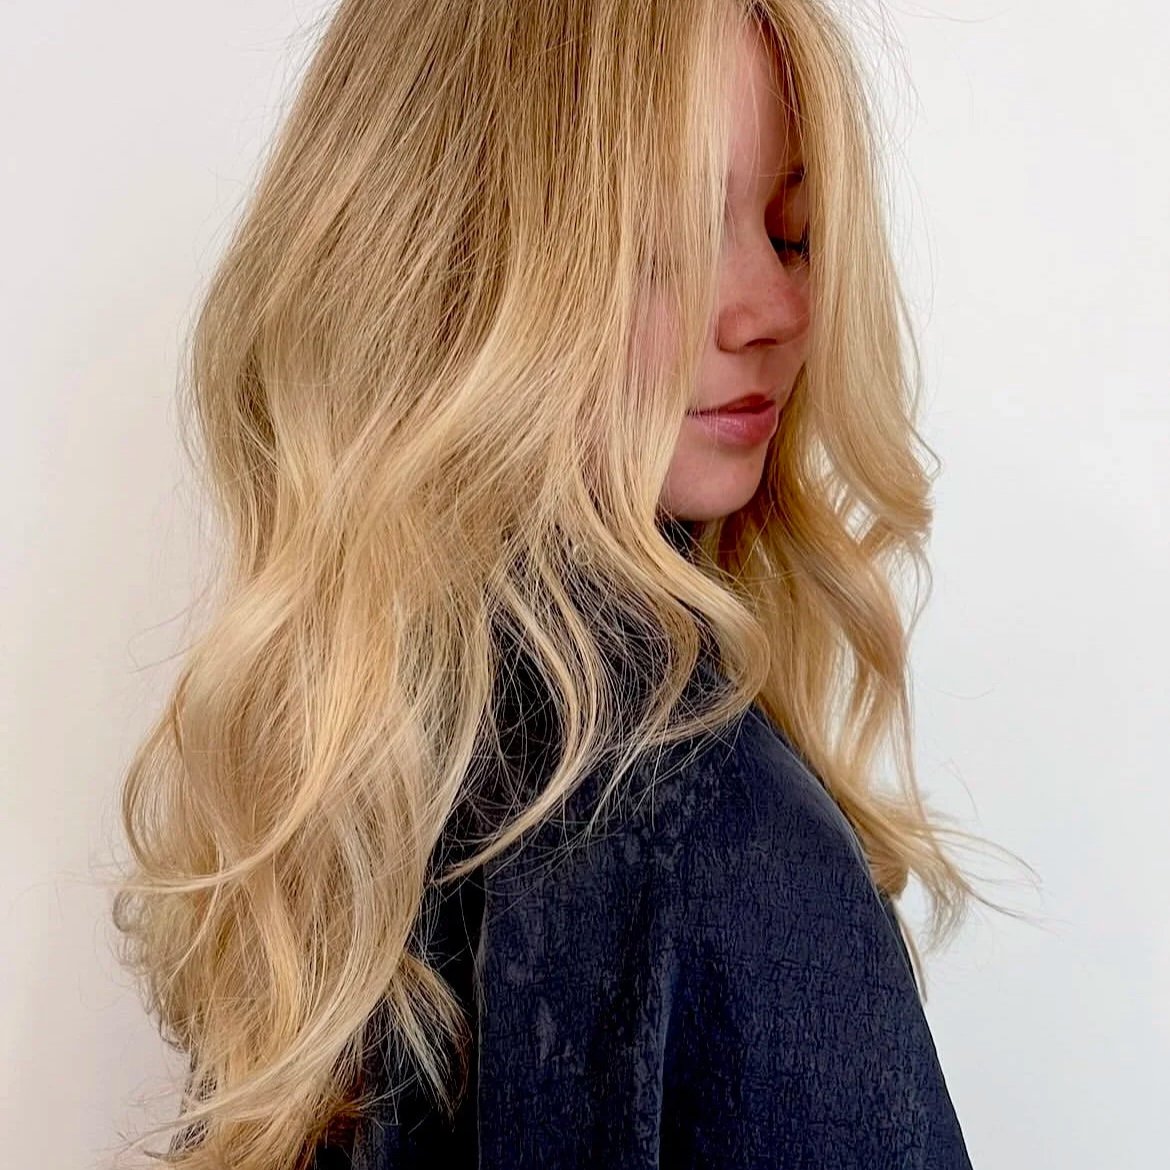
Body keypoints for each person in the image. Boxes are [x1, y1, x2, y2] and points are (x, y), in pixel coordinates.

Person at [110, 3, 1015, 1169]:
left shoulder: (342, 811)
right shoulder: (731, 854)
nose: (776, 309)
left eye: (792, 231)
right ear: (442, 259)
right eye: (668, 240)